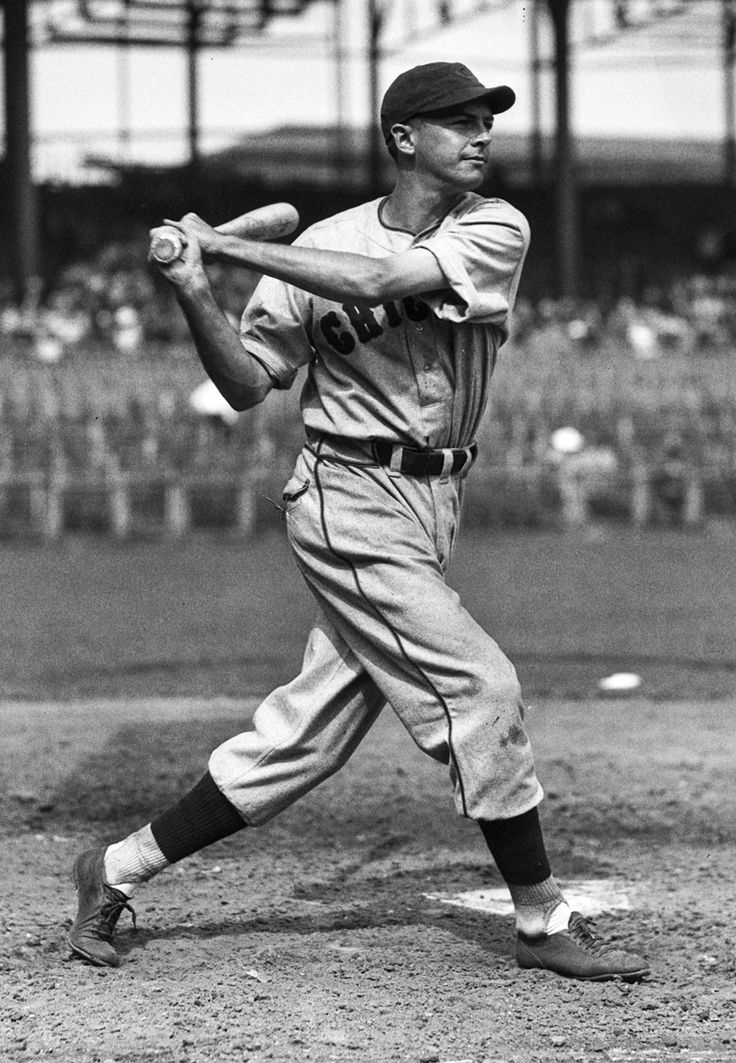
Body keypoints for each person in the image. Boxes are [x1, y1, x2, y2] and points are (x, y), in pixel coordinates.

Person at [67, 61, 649, 982]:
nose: (481, 132)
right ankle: (542, 917)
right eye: (457, 120)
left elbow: (380, 275)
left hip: (435, 499)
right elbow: (248, 384)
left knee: (305, 734)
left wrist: (226, 244)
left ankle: (115, 867)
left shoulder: (495, 225)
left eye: (485, 117)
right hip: (347, 496)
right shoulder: (316, 250)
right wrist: (192, 286)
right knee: (482, 687)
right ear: (404, 139)